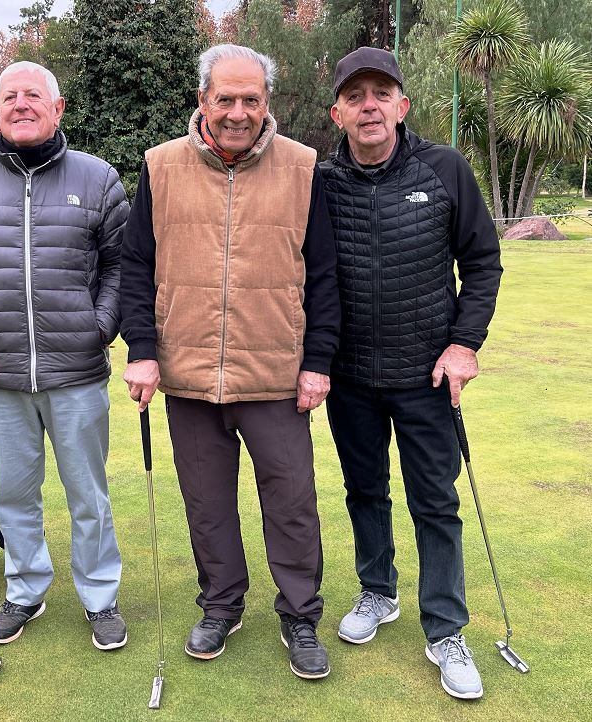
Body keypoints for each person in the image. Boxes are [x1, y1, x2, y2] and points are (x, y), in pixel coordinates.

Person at [120, 44, 340, 679]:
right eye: (227, 98)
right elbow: (138, 266)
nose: (239, 112)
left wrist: (317, 361)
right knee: (207, 502)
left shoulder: (303, 167)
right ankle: (221, 604)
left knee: (292, 500)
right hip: (187, 374)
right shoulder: (160, 167)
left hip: (275, 374)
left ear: (265, 103)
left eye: (251, 99)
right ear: (203, 101)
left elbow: (323, 275)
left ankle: (300, 614)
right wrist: (141, 350)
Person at [0, 62, 130, 650]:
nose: (20, 104)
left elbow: (121, 265)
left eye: (33, 95)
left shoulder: (96, 178)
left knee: (87, 494)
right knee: (13, 494)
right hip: (1, 376)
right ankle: (25, 589)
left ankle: (99, 595)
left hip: (77, 372)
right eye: (9, 96)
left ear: (57, 107)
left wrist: (100, 327)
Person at [320, 47, 503, 700]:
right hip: (349, 378)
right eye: (355, 95)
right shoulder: (319, 181)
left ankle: (445, 628)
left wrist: (464, 344)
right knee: (363, 491)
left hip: (428, 375)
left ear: (401, 106)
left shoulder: (444, 169)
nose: (368, 104)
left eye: (381, 92)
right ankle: (377, 592)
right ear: (337, 111)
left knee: (435, 503)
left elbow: (482, 262)